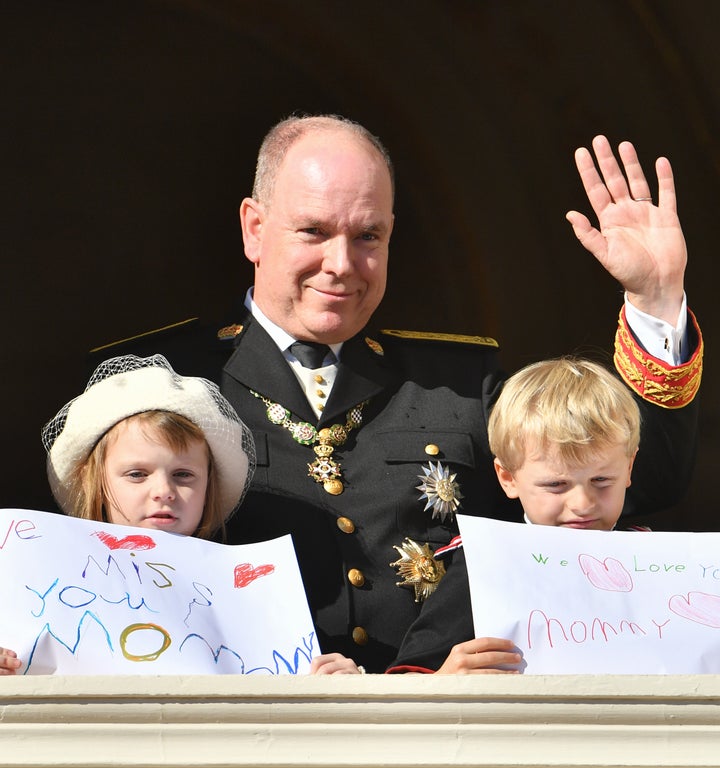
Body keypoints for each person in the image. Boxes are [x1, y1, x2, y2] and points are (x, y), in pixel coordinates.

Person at [85, 114, 703, 673]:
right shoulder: (158, 380)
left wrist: (655, 298)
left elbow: (643, 481)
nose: (342, 263)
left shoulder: (462, 381)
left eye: (368, 237)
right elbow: (91, 570)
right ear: (254, 227)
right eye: (313, 231)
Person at [0, 353, 362, 675]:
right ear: (96, 483)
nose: (163, 492)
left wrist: (335, 683)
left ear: (209, 488)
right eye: (137, 474)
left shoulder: (260, 597)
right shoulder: (33, 580)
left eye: (183, 475)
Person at [386, 355, 649, 673]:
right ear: (508, 478)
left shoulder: (655, 561)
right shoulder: (483, 558)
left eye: (601, 481)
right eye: (556, 484)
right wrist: (444, 678)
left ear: (630, 467)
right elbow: (413, 679)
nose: (582, 503)